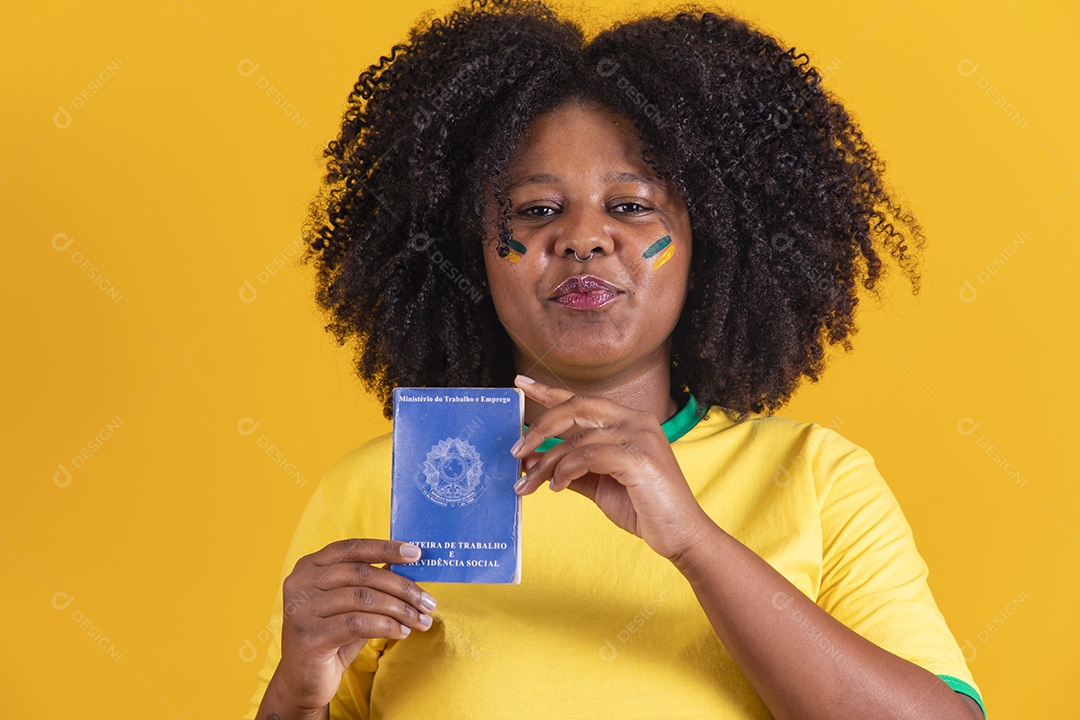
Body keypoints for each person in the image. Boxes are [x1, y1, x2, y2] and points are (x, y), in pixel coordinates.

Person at [245, 1, 985, 718]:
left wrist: (694, 542)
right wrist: (295, 695)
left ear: (715, 243)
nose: (583, 239)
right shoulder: (384, 486)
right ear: (464, 251)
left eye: (631, 206)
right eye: (536, 211)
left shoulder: (817, 479)